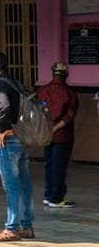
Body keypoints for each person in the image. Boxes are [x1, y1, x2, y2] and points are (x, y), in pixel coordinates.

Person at [0, 52, 35, 241]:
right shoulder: (14, 82)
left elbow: (4, 107)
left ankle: (11, 228)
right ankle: (27, 226)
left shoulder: (0, 83)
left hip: (8, 140)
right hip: (20, 137)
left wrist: (1, 130)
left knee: (11, 185)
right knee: (24, 182)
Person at [37, 62, 79, 208]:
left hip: (47, 134)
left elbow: (38, 112)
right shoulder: (69, 93)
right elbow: (70, 116)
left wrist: (47, 129)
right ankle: (56, 198)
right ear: (66, 75)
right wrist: (55, 128)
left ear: (53, 73)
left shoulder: (43, 90)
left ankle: (48, 195)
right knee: (59, 167)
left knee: (49, 165)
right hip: (63, 135)